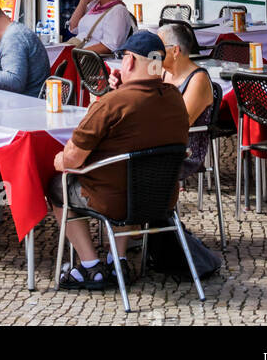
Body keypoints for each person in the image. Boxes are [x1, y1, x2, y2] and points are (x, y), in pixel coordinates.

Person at [47, 30, 189, 289]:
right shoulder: (175, 98)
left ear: (130, 62)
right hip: (160, 197)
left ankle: (91, 267)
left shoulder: (113, 104)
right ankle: (118, 260)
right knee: (131, 177)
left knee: (58, 186)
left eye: (124, 56)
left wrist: (60, 160)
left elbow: (72, 159)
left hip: (113, 200)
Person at [67, 0, 133, 54]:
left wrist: (77, 53)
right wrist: (84, 1)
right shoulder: (94, 5)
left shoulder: (118, 11)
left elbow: (110, 46)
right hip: (79, 52)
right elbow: (73, 27)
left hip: (90, 61)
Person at [159, 21, 214, 124]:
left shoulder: (198, 79)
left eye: (159, 47)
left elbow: (179, 124)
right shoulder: (162, 72)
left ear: (175, 51)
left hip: (183, 138)